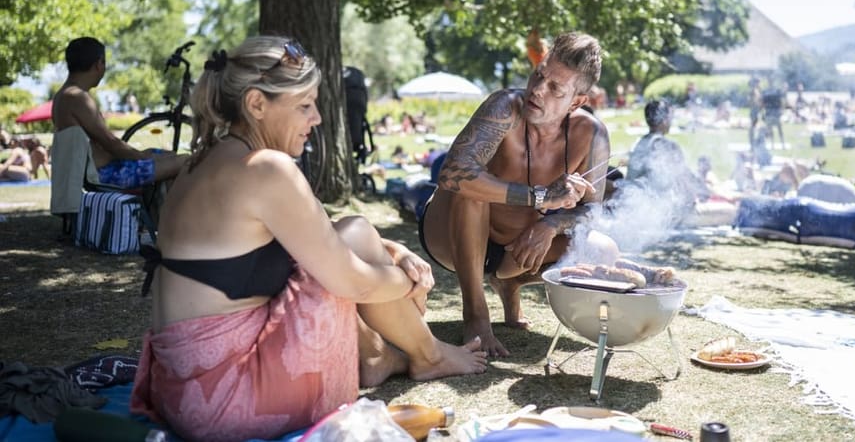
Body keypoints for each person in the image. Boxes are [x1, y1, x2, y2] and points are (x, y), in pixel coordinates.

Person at [131, 36, 486, 442]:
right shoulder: (265, 167)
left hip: (182, 394)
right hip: (227, 402)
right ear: (256, 105)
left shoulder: (206, 160)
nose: (316, 118)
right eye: (304, 105)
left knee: (351, 231)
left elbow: (311, 229)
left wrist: (393, 249)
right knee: (352, 239)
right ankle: (429, 355)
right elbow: (353, 281)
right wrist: (411, 281)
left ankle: (380, 356)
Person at [419, 32, 617, 357]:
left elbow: (590, 212)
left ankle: (511, 283)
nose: (538, 90)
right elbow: (453, 174)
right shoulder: (506, 107)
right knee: (473, 187)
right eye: (540, 74)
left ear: (577, 102)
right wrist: (541, 197)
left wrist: (551, 225)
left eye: (555, 89)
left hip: (515, 253)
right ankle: (476, 315)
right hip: (448, 237)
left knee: (603, 250)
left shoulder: (592, 134)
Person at [51, 37, 187, 189]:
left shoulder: (63, 96)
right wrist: (142, 157)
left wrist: (145, 155)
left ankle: (161, 209)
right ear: (99, 64)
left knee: (167, 155)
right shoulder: (77, 97)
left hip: (97, 171)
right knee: (185, 161)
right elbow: (110, 143)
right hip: (104, 175)